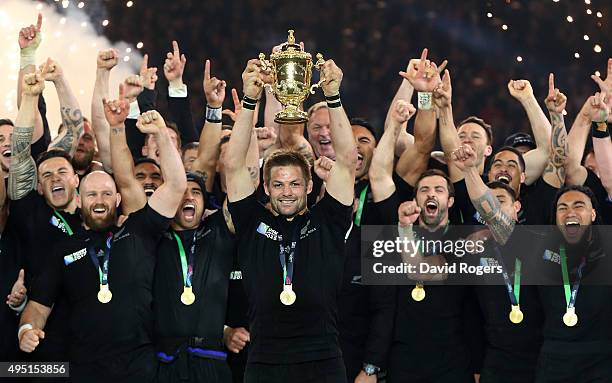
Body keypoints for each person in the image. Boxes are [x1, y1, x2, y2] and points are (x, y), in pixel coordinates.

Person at [18, 107, 186, 382]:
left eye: (107, 194)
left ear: (118, 200)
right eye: (92, 194)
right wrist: (26, 330)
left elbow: (177, 185)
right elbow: (38, 305)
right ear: (80, 200)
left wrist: (161, 136)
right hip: (85, 368)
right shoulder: (64, 248)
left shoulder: (139, 229)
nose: (99, 200)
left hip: (139, 365)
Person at [226, 56, 356, 382]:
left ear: (310, 186)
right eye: (279, 184)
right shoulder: (252, 222)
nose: (287, 192)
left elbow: (347, 161)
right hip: (264, 361)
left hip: (323, 359)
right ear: (266, 188)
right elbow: (233, 165)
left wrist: (334, 97)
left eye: (295, 183)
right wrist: (249, 98)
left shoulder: (328, 221)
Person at [452, 143, 544, 382]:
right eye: (489, 202)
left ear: (517, 207)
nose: (493, 208)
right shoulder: (473, 249)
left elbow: (496, 219)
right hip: (496, 363)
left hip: (541, 360)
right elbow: (470, 316)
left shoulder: (536, 241)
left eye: (500, 200)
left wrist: (471, 171)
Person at [534, 185, 612, 382]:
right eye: (562, 207)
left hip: (602, 360)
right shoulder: (538, 251)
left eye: (579, 206)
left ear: (593, 214)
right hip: (554, 359)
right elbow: (502, 232)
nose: (570, 212)